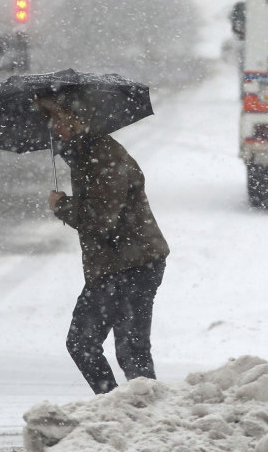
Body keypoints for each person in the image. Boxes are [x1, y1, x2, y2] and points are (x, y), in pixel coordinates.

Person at [37, 91, 169, 395]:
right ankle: (126, 412)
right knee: (108, 346)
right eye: (51, 119)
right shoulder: (85, 155)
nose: (55, 126)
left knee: (118, 348)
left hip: (131, 263)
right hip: (118, 264)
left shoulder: (104, 156)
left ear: (79, 118)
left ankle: (133, 414)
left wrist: (62, 206)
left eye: (60, 117)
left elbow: (100, 220)